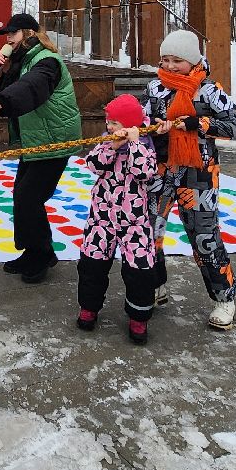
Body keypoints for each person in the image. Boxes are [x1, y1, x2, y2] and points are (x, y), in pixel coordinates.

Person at [142, 29, 236, 330]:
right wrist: (152, 126)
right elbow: (140, 120)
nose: (170, 66)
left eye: (177, 60)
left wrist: (199, 123)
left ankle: (224, 298)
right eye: (165, 60)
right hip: (160, 170)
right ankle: (156, 285)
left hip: (198, 173)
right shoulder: (155, 87)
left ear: (193, 60)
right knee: (149, 231)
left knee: (204, 237)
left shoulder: (209, 91)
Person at [0, 13, 83, 284]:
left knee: (29, 197)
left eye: (13, 33)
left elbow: (30, 87)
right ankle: (33, 251)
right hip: (37, 140)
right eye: (7, 34)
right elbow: (6, 88)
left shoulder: (47, 61)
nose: (8, 38)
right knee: (23, 196)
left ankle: (42, 255)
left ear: (29, 34)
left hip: (56, 139)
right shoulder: (23, 60)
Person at [76, 94, 161, 343]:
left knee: (139, 270)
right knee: (92, 265)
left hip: (134, 222)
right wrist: (112, 147)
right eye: (108, 121)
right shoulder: (106, 142)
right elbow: (92, 165)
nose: (109, 126)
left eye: (114, 122)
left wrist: (133, 143)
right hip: (101, 219)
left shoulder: (144, 145)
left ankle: (139, 317)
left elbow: (144, 172)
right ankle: (89, 307)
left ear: (130, 124)